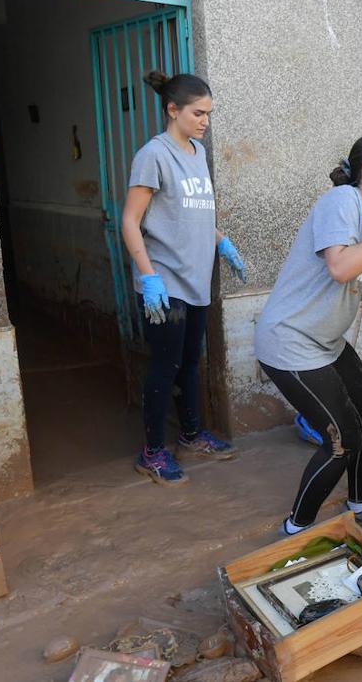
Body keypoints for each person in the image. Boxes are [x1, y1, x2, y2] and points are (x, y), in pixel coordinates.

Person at [254, 132, 362, 535]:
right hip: (289, 340)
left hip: (325, 342)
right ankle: (296, 529)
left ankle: (360, 505)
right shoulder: (342, 203)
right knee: (342, 438)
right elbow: (340, 267)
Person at [120, 71, 246, 485]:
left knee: (190, 362)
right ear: (172, 110)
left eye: (209, 113)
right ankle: (152, 452)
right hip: (164, 282)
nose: (205, 121)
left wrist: (221, 242)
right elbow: (130, 221)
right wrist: (148, 276)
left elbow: (189, 215)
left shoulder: (195, 153)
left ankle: (191, 436)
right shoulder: (153, 155)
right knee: (164, 366)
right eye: (198, 113)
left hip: (195, 280)